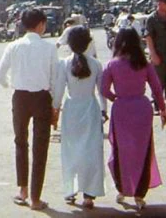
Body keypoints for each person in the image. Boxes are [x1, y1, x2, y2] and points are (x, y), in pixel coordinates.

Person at [0, 9, 57, 211]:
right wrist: (56, 105)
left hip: (20, 97)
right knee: (41, 148)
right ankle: (35, 198)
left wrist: (12, 84)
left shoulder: (13, 46)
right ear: (40, 24)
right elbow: (55, 79)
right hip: (42, 98)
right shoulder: (49, 48)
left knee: (20, 142)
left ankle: (22, 190)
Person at [102, 28, 166, 210]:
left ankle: (122, 189)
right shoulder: (144, 64)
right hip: (142, 108)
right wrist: (163, 110)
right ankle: (139, 194)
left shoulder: (112, 64)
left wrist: (114, 98)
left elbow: (103, 89)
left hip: (122, 109)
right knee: (143, 151)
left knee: (121, 151)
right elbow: (156, 88)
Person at [53, 26, 106, 209]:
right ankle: (89, 195)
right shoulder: (96, 64)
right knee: (91, 151)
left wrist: (54, 112)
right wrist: (103, 111)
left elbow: (58, 91)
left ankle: (70, 190)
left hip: (71, 110)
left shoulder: (64, 64)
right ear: (88, 43)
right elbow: (102, 92)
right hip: (91, 108)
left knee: (71, 151)